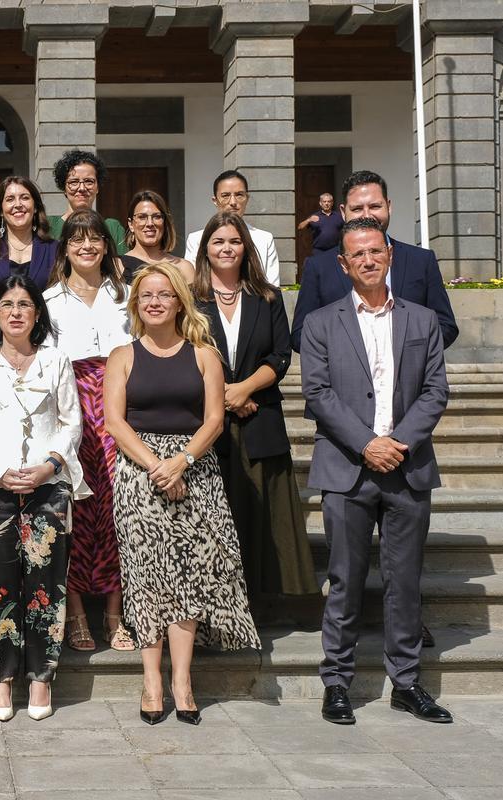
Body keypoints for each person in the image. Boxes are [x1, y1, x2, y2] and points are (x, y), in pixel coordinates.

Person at [303, 218, 451, 726]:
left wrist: (399, 442)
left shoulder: (422, 320)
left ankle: (406, 683)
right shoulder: (321, 323)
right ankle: (337, 683)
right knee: (344, 580)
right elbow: (317, 393)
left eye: (375, 251)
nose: (368, 260)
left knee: (404, 582)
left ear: (389, 254)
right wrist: (367, 443)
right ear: (343, 264)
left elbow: (435, 390)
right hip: (347, 468)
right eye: (357, 254)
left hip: (408, 468)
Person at [104, 262, 260, 726]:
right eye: (146, 295)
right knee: (146, 577)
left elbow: (215, 420)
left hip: (196, 472)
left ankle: (182, 681)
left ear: (179, 302)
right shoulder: (122, 356)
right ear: (136, 304)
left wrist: (181, 462)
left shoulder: (204, 355)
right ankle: (152, 681)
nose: (155, 302)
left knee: (189, 576)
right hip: (139, 474)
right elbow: (115, 422)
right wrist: (157, 465)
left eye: (164, 294)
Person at [0, 274, 88, 722]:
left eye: (25, 304)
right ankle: (1, 676)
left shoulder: (56, 360)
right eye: (8, 305)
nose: (16, 312)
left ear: (37, 313)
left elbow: (71, 423)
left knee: (46, 584)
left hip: (48, 486)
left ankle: (40, 677)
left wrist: (49, 465)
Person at [193, 212, 315, 597]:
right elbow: (185, 354)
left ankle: (263, 604)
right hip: (207, 421)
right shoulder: (191, 298)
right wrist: (226, 396)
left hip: (260, 418)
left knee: (264, 520)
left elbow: (281, 355)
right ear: (205, 249)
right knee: (216, 520)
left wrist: (244, 389)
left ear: (246, 247)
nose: (226, 248)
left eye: (234, 241)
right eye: (218, 242)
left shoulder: (268, 296)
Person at [43, 210, 133, 653]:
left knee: (118, 508)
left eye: (95, 238)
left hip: (122, 405)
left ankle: (116, 613)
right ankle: (76, 613)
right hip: (71, 408)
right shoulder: (49, 301)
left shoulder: (127, 295)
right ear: (65, 248)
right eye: (77, 239)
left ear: (106, 246)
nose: (86, 246)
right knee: (74, 509)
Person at [291, 169, 459, 353]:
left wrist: (405, 354)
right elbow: (301, 335)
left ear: (388, 206)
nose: (367, 215)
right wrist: (352, 356)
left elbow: (445, 326)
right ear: (343, 212)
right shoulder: (318, 267)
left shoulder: (421, 261)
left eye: (375, 206)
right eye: (357, 209)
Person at [0, 176, 58, 310]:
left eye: (25, 198)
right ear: (1, 210)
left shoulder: (53, 249)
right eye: (10, 199)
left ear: (35, 207)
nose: (18, 204)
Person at [184, 170, 281, 287]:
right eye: (225, 196)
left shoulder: (264, 239)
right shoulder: (196, 239)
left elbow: (272, 287)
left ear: (247, 198)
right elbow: (193, 283)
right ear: (215, 200)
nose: (233, 202)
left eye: (239, 195)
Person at [47, 150, 128, 251]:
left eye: (89, 181)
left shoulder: (111, 228)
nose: (82, 188)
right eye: (74, 182)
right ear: (64, 188)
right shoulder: (49, 227)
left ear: (98, 187)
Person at [120, 190, 193, 286]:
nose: (150, 223)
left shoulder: (184, 268)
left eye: (157, 217)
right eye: (142, 217)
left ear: (164, 222)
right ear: (131, 224)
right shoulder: (118, 266)